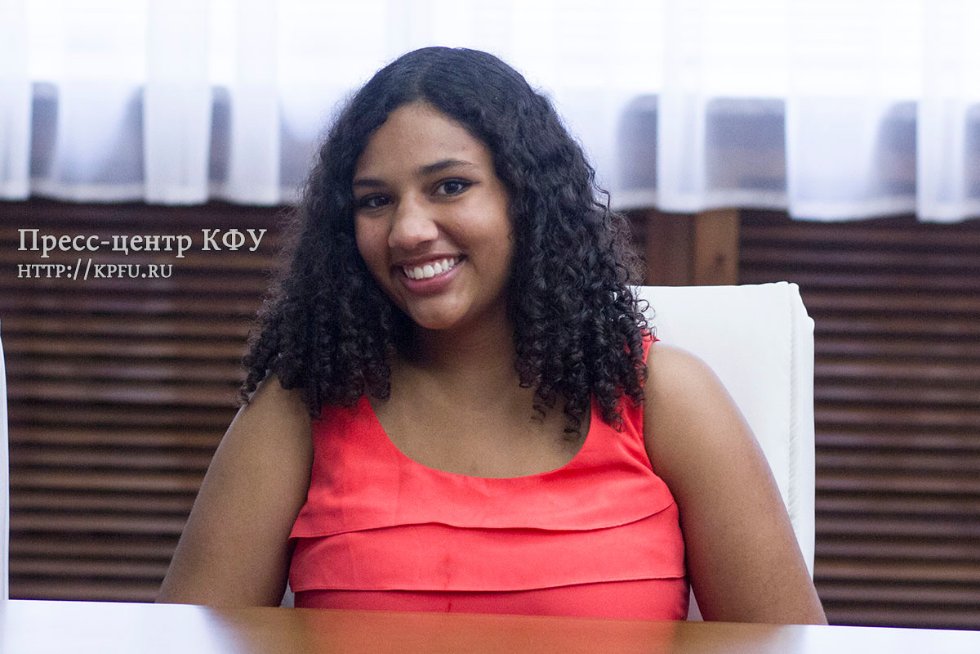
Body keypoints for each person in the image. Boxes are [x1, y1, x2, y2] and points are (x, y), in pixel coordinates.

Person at [158, 46, 826, 624]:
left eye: (449, 186)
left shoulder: (666, 396)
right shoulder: (301, 404)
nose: (408, 230)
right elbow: (185, 642)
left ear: (526, 199)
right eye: (375, 200)